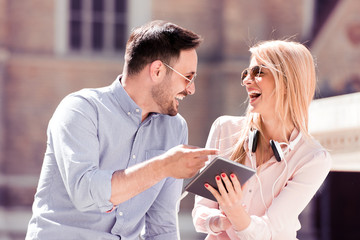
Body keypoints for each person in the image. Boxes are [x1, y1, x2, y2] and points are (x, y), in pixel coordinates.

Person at [26, 20, 218, 240]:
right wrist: (163, 166)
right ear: (157, 71)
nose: (191, 89)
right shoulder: (80, 110)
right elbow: (85, 192)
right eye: (188, 77)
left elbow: (161, 224)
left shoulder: (174, 128)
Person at [192, 40, 332, 239]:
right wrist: (219, 222)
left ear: (287, 82)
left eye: (258, 72)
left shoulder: (313, 158)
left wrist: (234, 211)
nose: (247, 81)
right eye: (245, 74)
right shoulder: (225, 129)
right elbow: (200, 212)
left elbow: (267, 232)